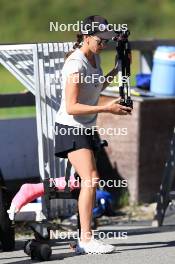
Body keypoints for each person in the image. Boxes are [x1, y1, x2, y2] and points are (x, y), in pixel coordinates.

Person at [55, 15, 132, 254]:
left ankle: (84, 238)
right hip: (70, 127)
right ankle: (86, 240)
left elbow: (96, 87)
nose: (105, 44)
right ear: (87, 37)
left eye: (108, 40)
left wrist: (116, 70)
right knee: (91, 179)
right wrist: (107, 108)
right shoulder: (75, 64)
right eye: (101, 40)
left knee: (90, 180)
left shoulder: (95, 57)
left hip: (86, 127)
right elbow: (72, 106)